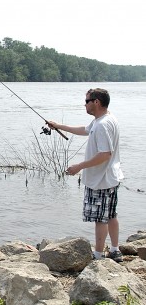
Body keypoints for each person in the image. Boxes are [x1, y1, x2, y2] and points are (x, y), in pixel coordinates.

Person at [47, 88, 124, 262]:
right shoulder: (106, 119)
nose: (85, 104)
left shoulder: (102, 125)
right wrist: (58, 126)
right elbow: (84, 129)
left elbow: (105, 154)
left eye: (87, 101)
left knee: (100, 219)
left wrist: (79, 166)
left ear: (96, 102)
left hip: (101, 179)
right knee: (111, 215)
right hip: (111, 177)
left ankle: (97, 255)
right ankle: (115, 250)